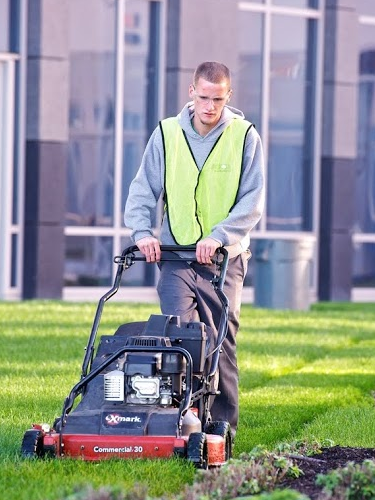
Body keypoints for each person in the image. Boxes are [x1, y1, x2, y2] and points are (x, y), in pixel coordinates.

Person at [124, 61, 265, 438]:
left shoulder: (245, 136)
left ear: (228, 96)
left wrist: (219, 236)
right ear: (191, 92)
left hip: (224, 260)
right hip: (175, 258)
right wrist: (142, 232)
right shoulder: (167, 134)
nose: (209, 106)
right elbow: (142, 191)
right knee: (179, 338)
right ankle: (182, 424)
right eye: (203, 97)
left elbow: (252, 201)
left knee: (221, 340)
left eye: (217, 99)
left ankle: (222, 431)